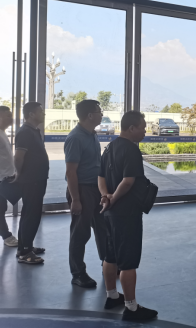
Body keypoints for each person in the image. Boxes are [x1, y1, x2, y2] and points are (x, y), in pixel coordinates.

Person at [99, 110, 157, 321]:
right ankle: (131, 308)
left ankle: (112, 295)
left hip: (109, 213)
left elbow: (100, 176)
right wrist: (114, 199)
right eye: (142, 128)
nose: (144, 132)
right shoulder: (131, 150)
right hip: (127, 212)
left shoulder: (109, 147)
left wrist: (105, 197)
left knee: (110, 255)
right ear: (132, 128)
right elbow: (128, 181)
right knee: (128, 261)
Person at [65, 100, 109, 288]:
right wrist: (76, 199)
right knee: (80, 233)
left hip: (95, 188)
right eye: (99, 111)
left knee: (103, 228)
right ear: (90, 115)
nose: (102, 114)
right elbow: (71, 172)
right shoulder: (75, 138)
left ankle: (108, 264)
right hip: (82, 190)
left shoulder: (92, 135)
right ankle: (78, 274)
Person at [13, 102, 49, 265]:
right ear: (31, 114)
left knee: (30, 213)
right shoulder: (25, 132)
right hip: (31, 180)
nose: (43, 113)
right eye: (40, 111)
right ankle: (25, 253)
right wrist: (20, 173)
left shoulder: (33, 131)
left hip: (37, 179)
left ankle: (25, 246)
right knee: (31, 214)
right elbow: (18, 157)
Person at [0, 106, 18, 248]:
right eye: (8, 116)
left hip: (5, 178)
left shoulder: (2, 133)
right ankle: (6, 236)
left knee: (2, 208)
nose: (11, 119)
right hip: (1, 179)